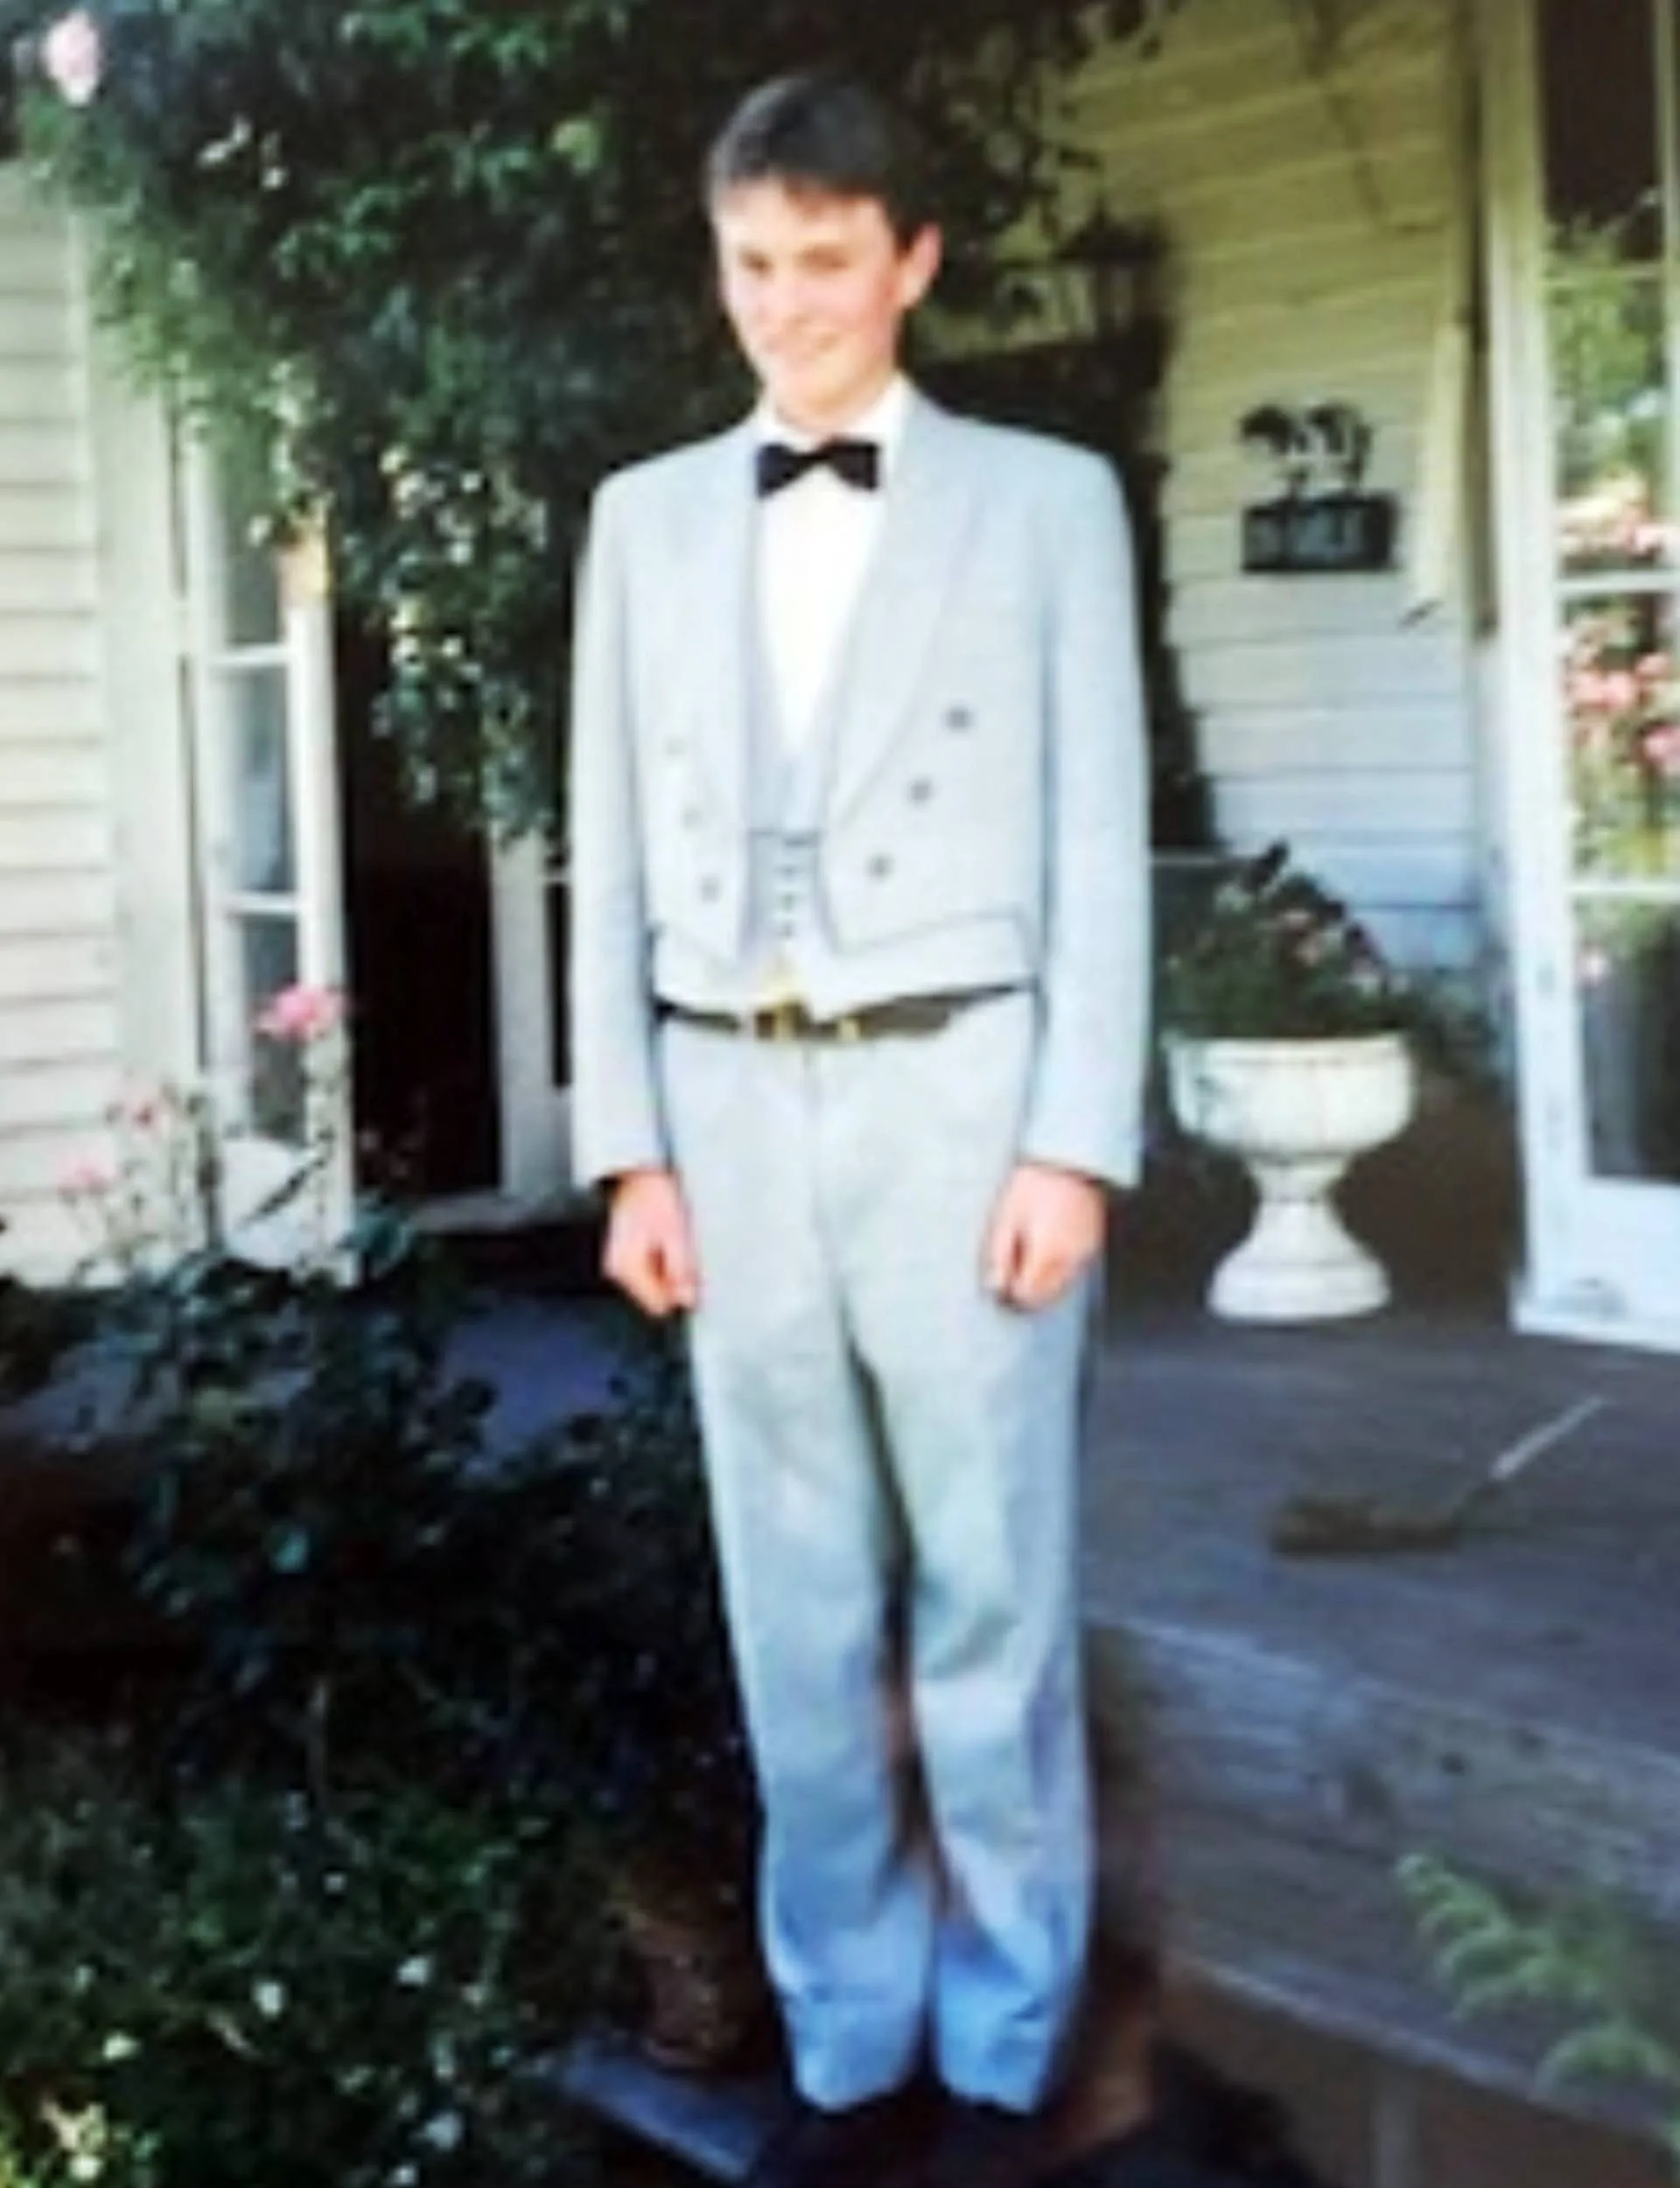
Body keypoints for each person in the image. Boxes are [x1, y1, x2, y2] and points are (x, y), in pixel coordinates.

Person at [567, 71, 1151, 2188]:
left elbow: (1098, 837)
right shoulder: (645, 518)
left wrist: (1072, 1138)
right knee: (794, 1607)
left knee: (993, 1591)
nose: (786, 304)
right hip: (728, 1102)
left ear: (912, 261)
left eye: (827, 259)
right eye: (752, 262)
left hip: (964, 1096)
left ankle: (1006, 2041)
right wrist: (631, 1145)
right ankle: (843, 2033)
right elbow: (609, 846)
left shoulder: (1043, 503)